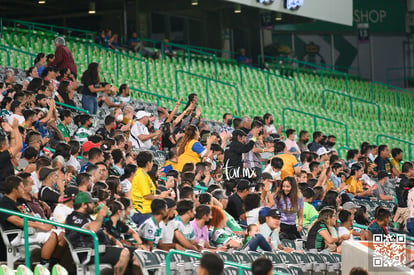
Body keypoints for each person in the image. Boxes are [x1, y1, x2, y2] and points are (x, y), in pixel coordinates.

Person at [0, 176, 60, 267]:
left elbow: (30, 215)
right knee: (51, 236)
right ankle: (44, 266)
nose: (23, 189)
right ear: (14, 189)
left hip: (30, 231)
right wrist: (40, 226)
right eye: (21, 186)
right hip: (17, 236)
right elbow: (18, 222)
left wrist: (43, 223)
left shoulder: (20, 200)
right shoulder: (4, 204)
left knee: (61, 234)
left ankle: (53, 263)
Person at [65, 192, 130, 274]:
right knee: (124, 253)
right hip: (89, 253)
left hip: (102, 249)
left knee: (136, 254)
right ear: (84, 205)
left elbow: (103, 232)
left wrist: (115, 240)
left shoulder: (87, 217)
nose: (94, 205)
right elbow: (92, 229)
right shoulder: (74, 217)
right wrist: (101, 213)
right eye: (92, 203)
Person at [131, 151, 171, 225]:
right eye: (151, 161)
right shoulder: (141, 175)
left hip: (146, 211)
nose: (152, 164)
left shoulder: (144, 174)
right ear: (148, 163)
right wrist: (160, 196)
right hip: (142, 212)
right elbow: (147, 195)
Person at [394, 162, 414, 229]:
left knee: (398, 226)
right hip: (405, 209)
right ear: (410, 170)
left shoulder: (400, 178)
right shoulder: (406, 182)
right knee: (408, 228)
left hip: (400, 207)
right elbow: (407, 190)